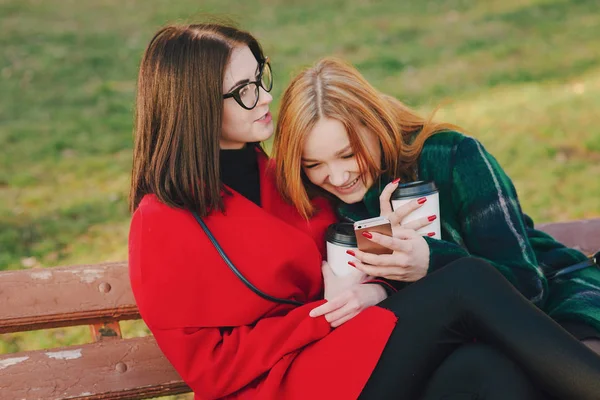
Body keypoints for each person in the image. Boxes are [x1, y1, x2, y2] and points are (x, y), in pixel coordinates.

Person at [128, 23, 600, 400]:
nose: (264, 96)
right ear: (196, 109)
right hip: (281, 385)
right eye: (244, 91)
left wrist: (375, 287)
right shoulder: (163, 220)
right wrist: (326, 315)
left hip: (350, 355)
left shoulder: (285, 179)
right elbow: (210, 370)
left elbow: (351, 267)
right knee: (466, 281)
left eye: (259, 78)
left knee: (486, 371)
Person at [272, 57, 600, 355]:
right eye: (313, 163)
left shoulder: (454, 157)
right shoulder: (316, 198)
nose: (337, 176)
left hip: (550, 299)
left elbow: (527, 287)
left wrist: (431, 260)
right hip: (447, 339)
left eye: (348, 154)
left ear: (376, 127)